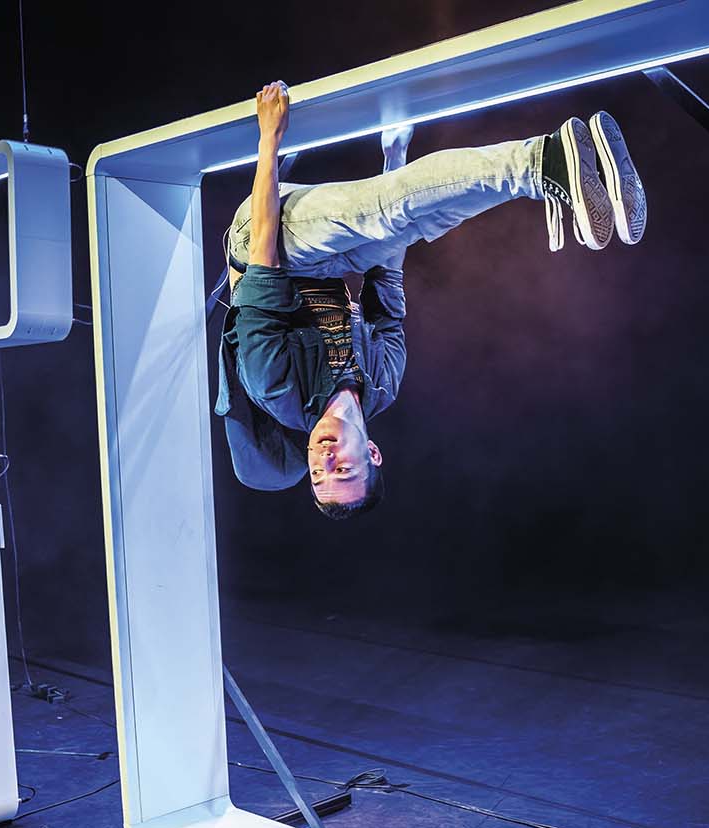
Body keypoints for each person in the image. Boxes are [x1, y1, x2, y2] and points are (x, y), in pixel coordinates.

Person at [215, 80, 645, 518]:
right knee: (422, 224)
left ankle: (543, 161)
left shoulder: (276, 385)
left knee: (383, 215)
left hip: (263, 236)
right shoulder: (383, 381)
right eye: (342, 469)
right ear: (373, 453)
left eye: (317, 475)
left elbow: (264, 257)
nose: (324, 460)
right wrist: (395, 159)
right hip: (326, 262)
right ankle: (578, 173)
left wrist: (269, 138)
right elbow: (386, 275)